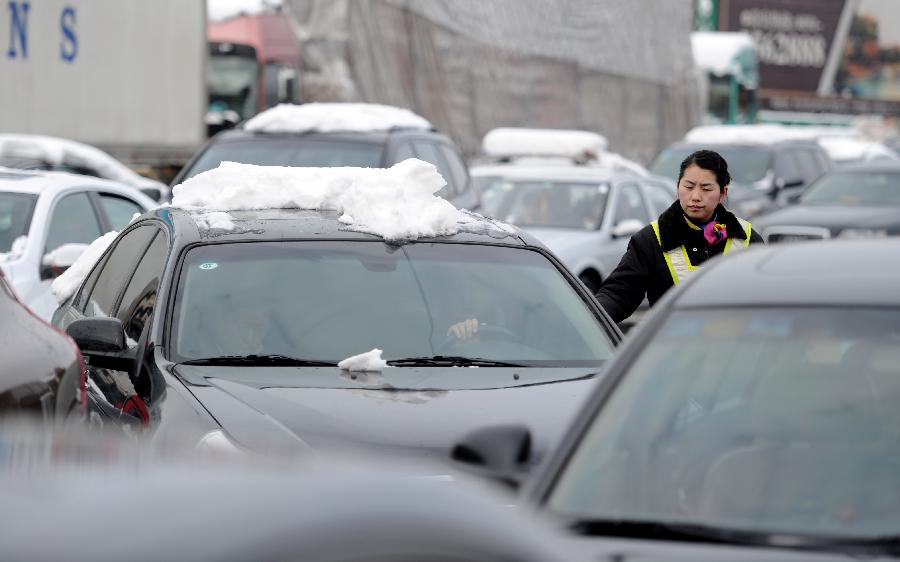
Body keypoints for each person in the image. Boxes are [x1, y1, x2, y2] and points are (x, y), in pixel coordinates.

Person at [595, 149, 764, 324]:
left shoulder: (747, 239)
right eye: (688, 187)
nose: (695, 197)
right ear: (677, 187)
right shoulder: (651, 239)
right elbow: (618, 293)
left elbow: (767, 299)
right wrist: (589, 323)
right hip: (672, 348)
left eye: (706, 188)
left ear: (723, 193)